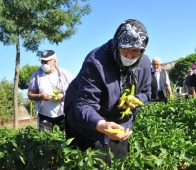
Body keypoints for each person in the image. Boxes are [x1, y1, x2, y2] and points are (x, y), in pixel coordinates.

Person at [63, 19, 151, 166]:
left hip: (118, 119)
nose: (129, 56)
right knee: (91, 160)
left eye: (135, 51)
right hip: (84, 116)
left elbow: (147, 92)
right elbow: (84, 105)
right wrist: (102, 125)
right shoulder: (96, 62)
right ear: (117, 44)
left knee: (118, 160)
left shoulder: (145, 63)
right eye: (125, 50)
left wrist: (134, 100)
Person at [28, 50, 73, 132]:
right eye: (42, 61)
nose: (44, 64)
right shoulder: (36, 75)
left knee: (69, 141)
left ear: (54, 61)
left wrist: (62, 96)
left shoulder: (65, 74)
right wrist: (41, 96)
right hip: (44, 115)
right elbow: (30, 95)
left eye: (46, 61)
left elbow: (74, 91)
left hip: (64, 114)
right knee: (45, 142)